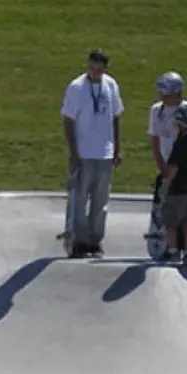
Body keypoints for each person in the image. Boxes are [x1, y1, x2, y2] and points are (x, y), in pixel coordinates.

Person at [60, 48, 125, 258]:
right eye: (92, 66)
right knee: (80, 198)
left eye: (100, 67)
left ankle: (95, 240)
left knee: (100, 199)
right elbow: (68, 119)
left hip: (104, 151)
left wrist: (116, 147)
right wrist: (73, 152)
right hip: (84, 151)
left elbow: (115, 116)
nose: (96, 71)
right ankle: (79, 240)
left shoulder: (110, 85)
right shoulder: (77, 87)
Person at [147, 71, 187, 259]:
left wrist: (172, 172)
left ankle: (184, 248)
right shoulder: (157, 110)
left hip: (181, 171)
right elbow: (155, 139)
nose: (162, 96)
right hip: (166, 167)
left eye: (166, 92)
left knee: (183, 216)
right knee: (166, 211)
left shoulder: (186, 110)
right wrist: (161, 166)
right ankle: (167, 245)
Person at [157, 103, 187, 264]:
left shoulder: (181, 143)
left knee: (171, 222)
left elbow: (174, 168)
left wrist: (166, 183)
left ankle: (173, 251)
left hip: (178, 189)